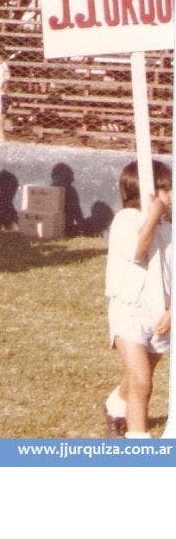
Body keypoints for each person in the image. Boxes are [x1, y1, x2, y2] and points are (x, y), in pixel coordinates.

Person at [104, 160, 171, 438]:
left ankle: (116, 404)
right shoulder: (127, 219)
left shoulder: (170, 227)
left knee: (138, 376)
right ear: (150, 192)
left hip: (159, 312)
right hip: (129, 310)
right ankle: (138, 443)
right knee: (142, 381)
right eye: (167, 191)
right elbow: (136, 251)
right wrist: (153, 216)